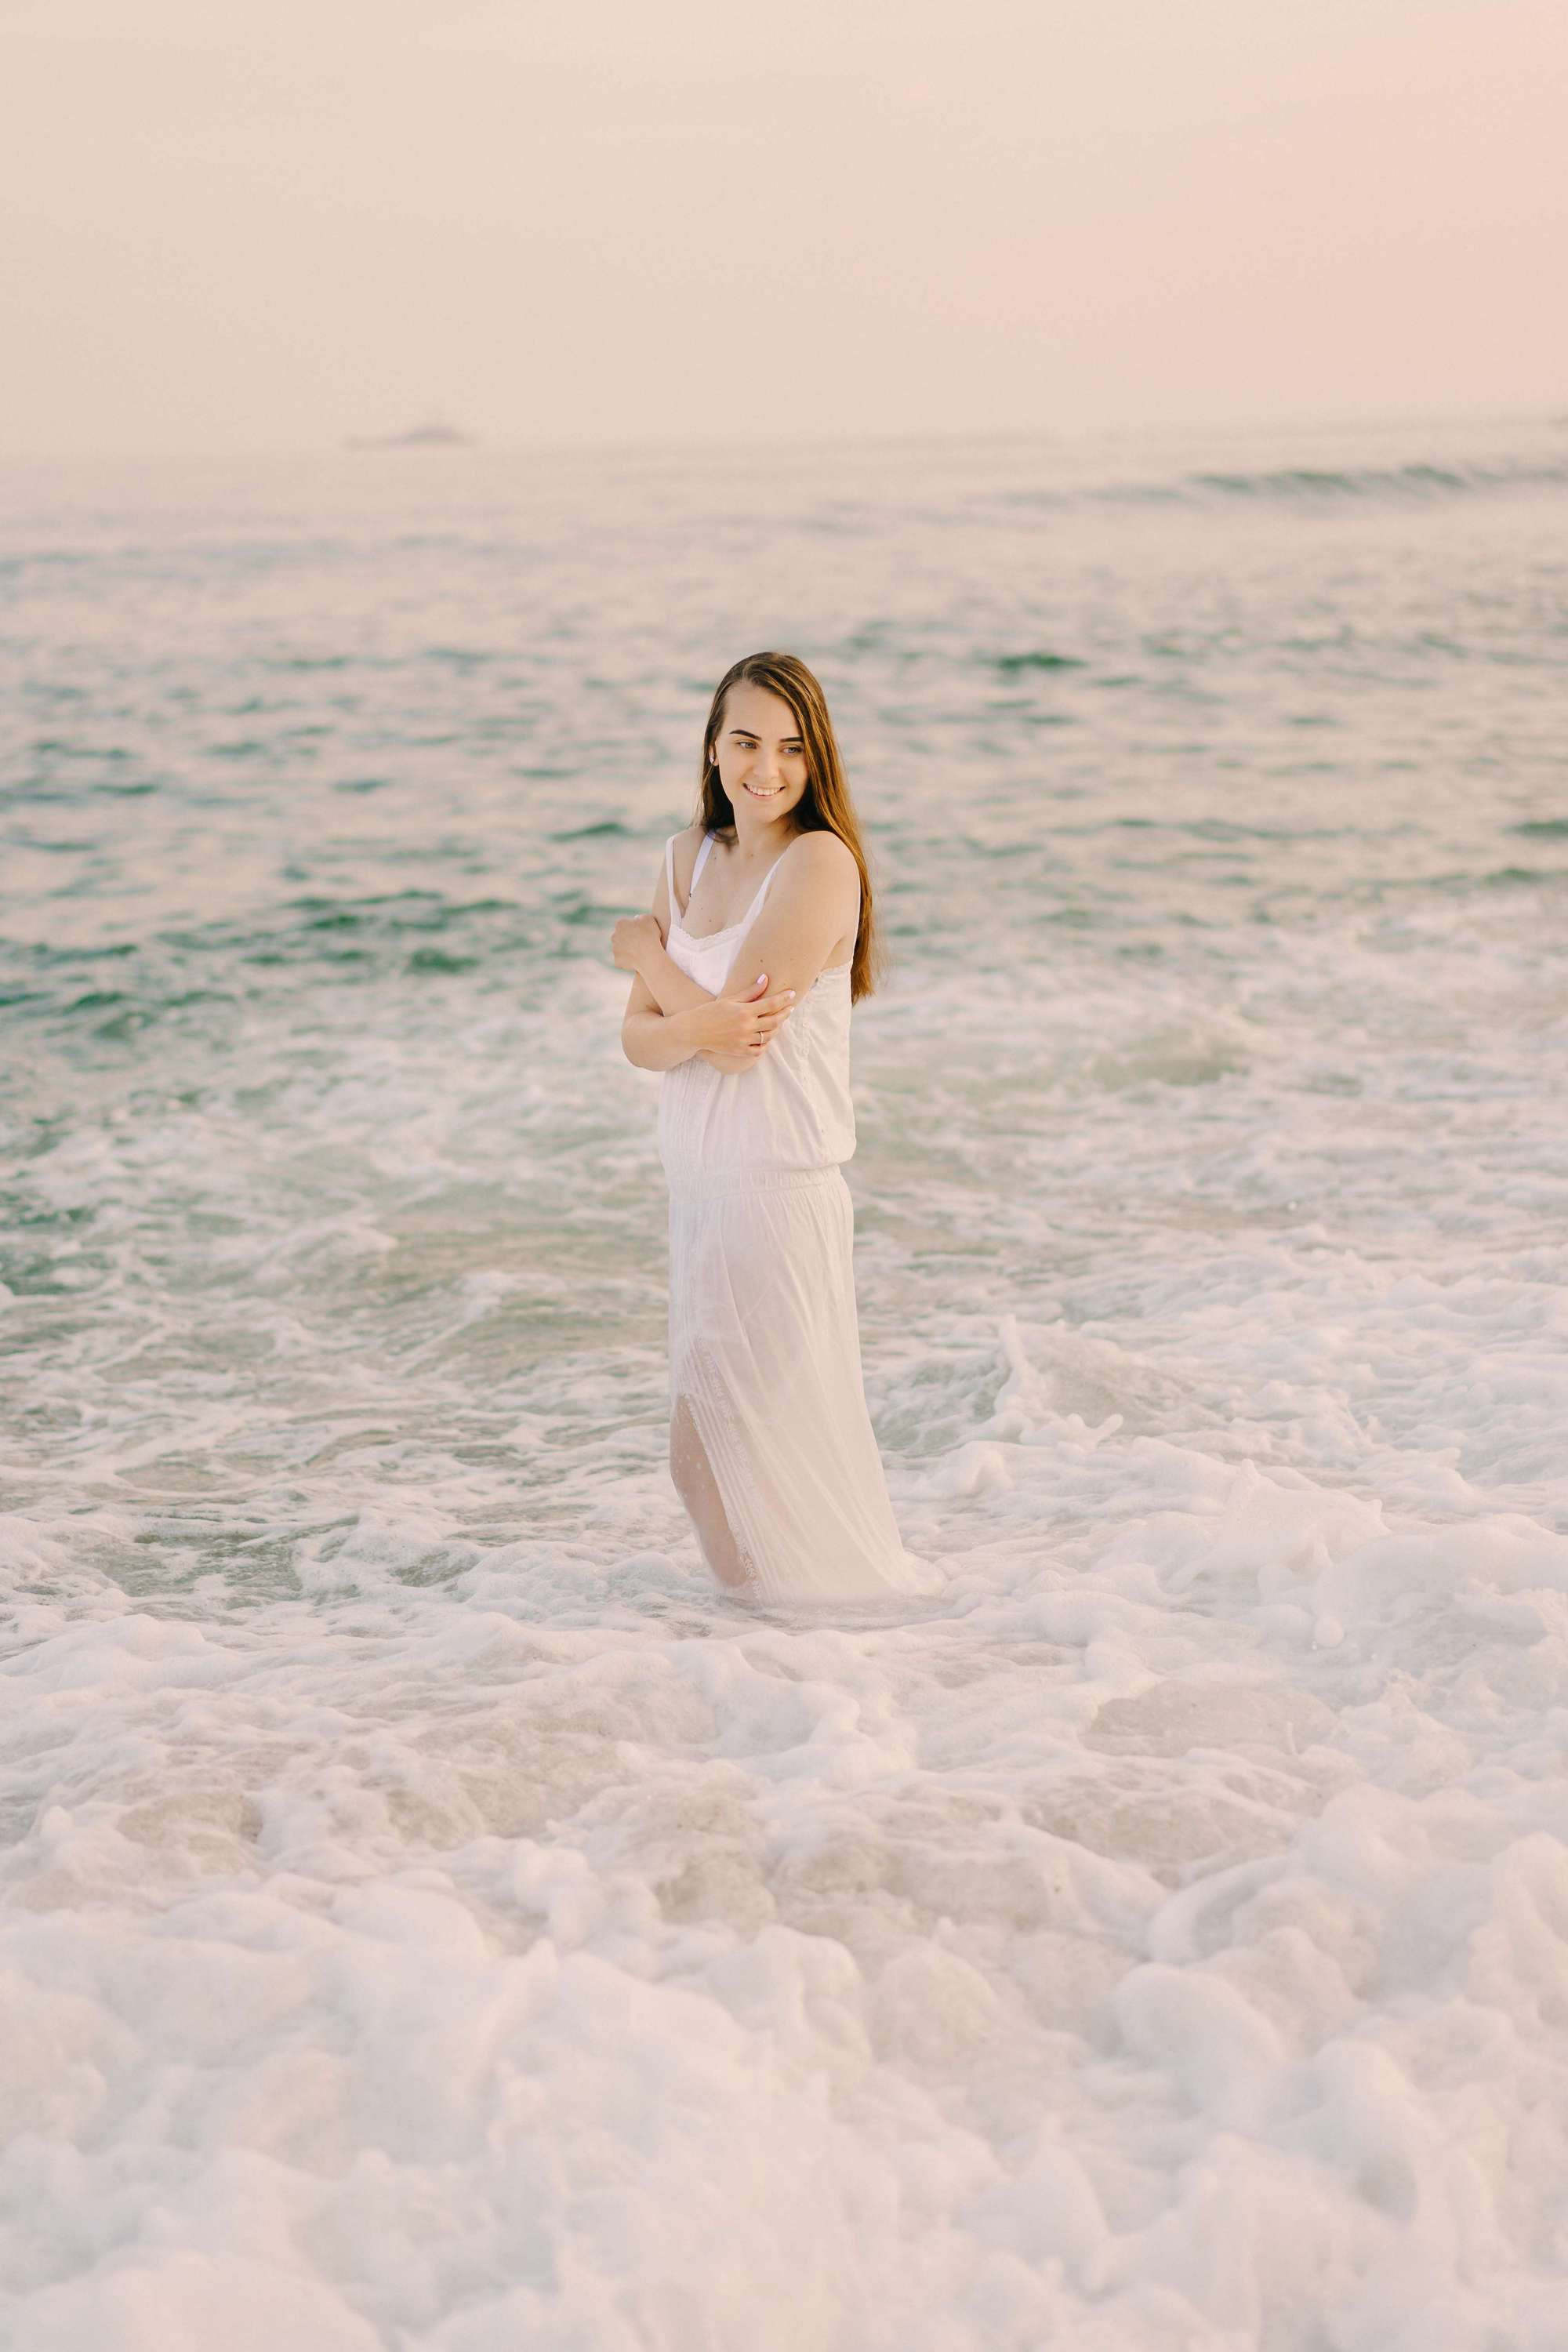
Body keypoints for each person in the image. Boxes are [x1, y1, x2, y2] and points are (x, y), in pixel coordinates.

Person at [612, 651, 938, 1608]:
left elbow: (732, 1040)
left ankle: (777, 1642)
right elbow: (641, 1042)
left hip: (776, 1191)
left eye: (792, 748)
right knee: (739, 1460)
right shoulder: (686, 857)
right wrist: (681, 1016)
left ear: (816, 759)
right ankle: (794, 1646)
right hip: (701, 1194)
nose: (767, 769)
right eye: (747, 741)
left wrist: (641, 950)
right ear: (712, 747)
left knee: (711, 1460)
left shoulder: (819, 863)